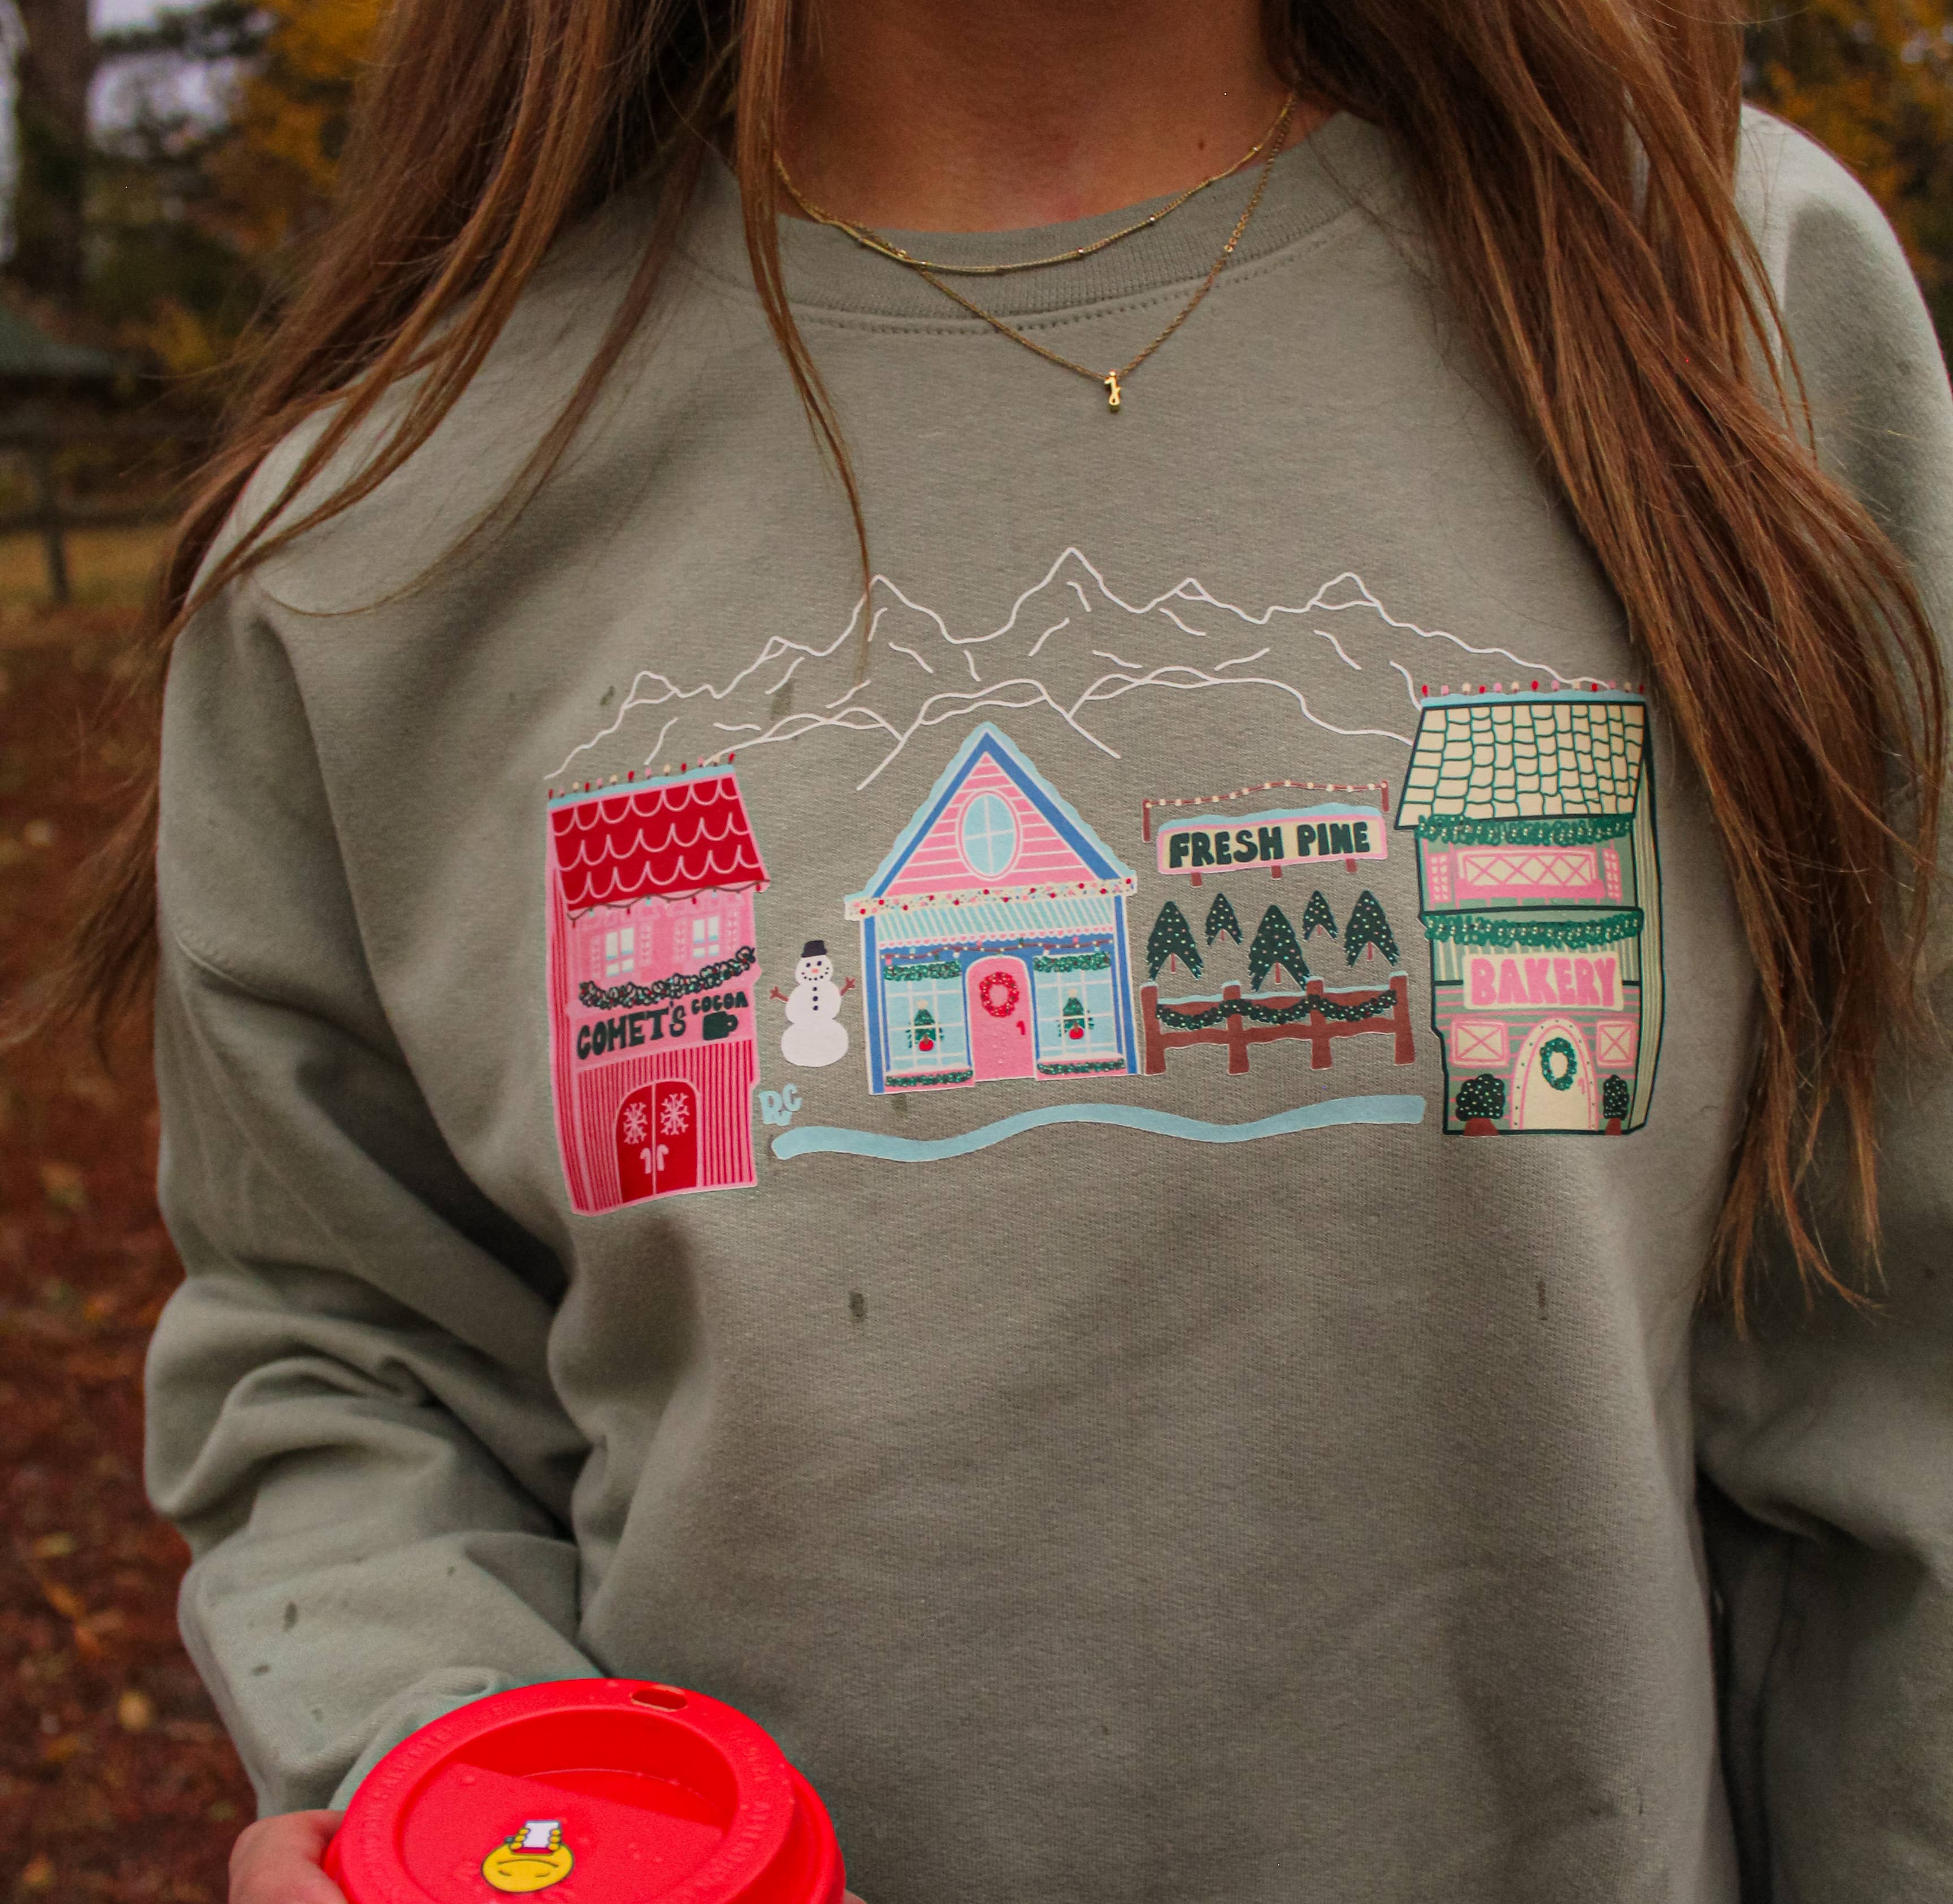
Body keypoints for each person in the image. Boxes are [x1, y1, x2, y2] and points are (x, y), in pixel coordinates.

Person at [55, 0, 1953, 1898]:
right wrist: (475, 1797)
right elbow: (349, 1351)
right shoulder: (394, 514)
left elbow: (1901, 1374)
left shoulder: (1725, 310)